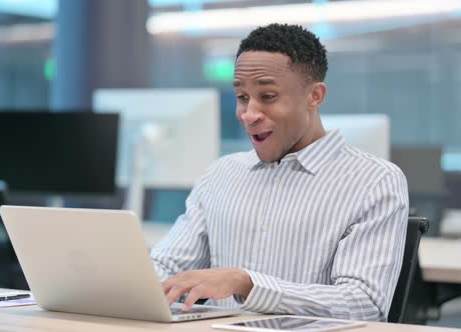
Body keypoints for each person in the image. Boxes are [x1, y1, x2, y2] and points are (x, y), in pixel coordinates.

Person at [150, 23, 408, 322]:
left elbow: (364, 304)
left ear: (315, 96)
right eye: (242, 97)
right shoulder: (221, 174)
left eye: (268, 96)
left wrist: (247, 283)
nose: (249, 114)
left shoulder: (374, 181)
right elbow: (167, 265)